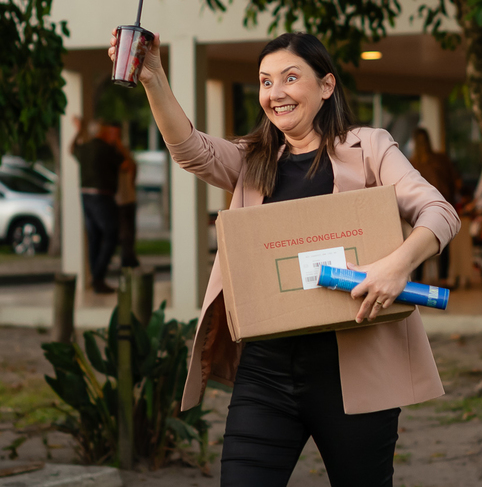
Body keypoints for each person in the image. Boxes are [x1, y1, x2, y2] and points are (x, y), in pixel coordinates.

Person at [108, 29, 459, 487]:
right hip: (266, 373)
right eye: (266, 81)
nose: (276, 94)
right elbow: (189, 149)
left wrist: (397, 265)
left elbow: (439, 211)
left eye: (290, 78)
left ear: (326, 85)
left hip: (354, 372)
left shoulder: (369, 147)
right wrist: (153, 77)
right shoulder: (253, 159)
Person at [70, 117, 125, 294]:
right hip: (103, 196)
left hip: (86, 195)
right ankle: (98, 277)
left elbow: (72, 148)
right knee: (111, 234)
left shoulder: (84, 148)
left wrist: (78, 131)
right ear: (102, 132)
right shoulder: (106, 149)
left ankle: (97, 278)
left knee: (94, 237)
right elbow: (122, 161)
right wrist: (116, 140)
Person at [408, 127, 461, 285]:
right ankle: (443, 278)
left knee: (419, 242)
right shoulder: (441, 159)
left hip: (420, 208)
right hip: (442, 204)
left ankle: (417, 280)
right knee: (443, 242)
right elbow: (454, 182)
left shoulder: (412, 163)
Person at [110, 132, 140, 268]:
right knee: (125, 233)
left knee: (129, 233)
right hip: (121, 201)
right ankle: (127, 259)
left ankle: (129, 257)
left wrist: (119, 145)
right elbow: (129, 165)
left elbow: (131, 166)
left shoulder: (126, 162)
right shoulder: (113, 162)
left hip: (128, 200)